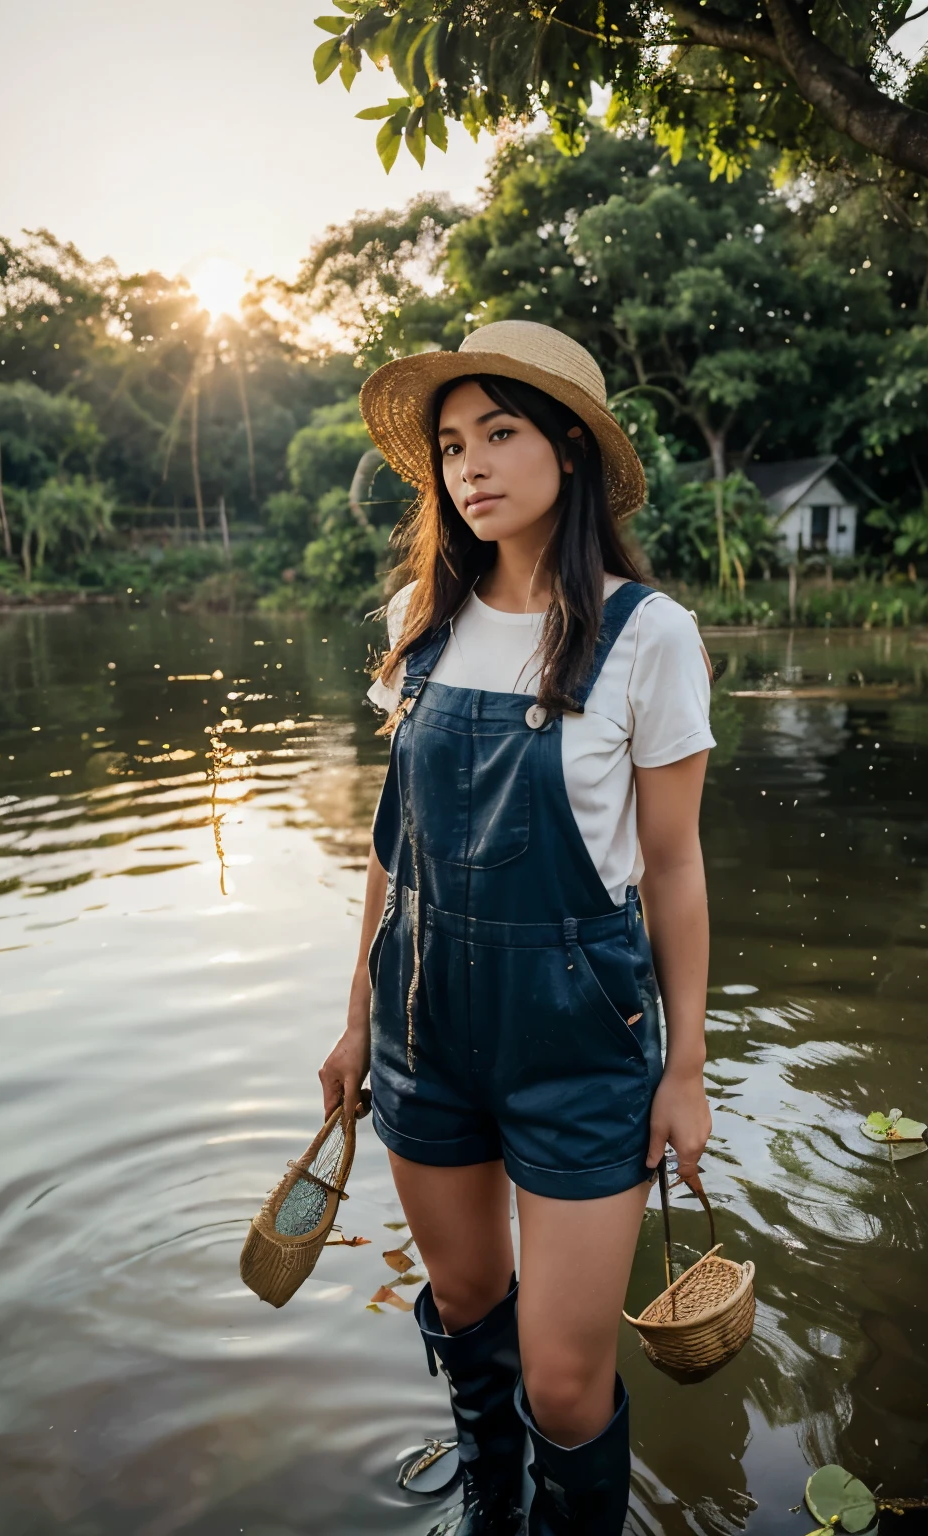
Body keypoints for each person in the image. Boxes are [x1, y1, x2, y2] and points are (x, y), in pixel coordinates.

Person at [319, 320, 714, 1535]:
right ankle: (491, 1505)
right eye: (450, 445)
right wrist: (355, 1023)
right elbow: (397, 846)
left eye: (500, 432)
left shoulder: (647, 632)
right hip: (426, 1029)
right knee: (471, 1311)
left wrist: (685, 1065)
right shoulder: (417, 619)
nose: (470, 466)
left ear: (570, 449)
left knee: (563, 1377)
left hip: (579, 1038)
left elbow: (672, 866)